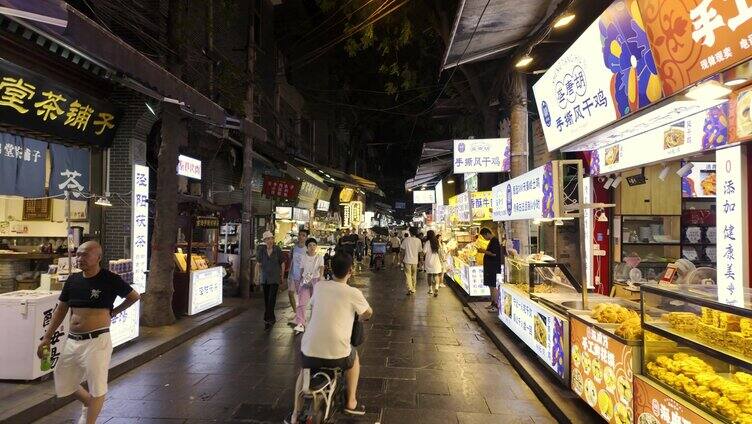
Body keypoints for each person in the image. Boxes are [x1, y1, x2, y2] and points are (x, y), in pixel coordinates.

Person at [37, 241, 140, 424]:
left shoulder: (110, 279)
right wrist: (47, 337)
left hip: (97, 340)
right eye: (78, 254)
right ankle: (88, 403)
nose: (79, 258)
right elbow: (61, 310)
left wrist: (114, 311)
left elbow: (134, 296)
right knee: (62, 379)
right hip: (72, 340)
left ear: (98, 258)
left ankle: (89, 420)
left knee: (97, 387)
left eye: (85, 254)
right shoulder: (73, 280)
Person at [288, 253, 373, 422]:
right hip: (338, 355)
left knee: (303, 371)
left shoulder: (319, 286)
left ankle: (295, 413)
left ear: (330, 269)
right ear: (351, 271)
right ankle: (351, 402)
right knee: (354, 359)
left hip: (309, 351)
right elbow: (368, 313)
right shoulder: (353, 292)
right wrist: (362, 317)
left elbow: (312, 305)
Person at [255, 231, 286, 330]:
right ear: (264, 240)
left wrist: (282, 275)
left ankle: (268, 318)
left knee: (272, 298)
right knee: (266, 298)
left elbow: (282, 263)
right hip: (265, 278)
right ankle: (270, 316)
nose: (270, 241)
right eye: (268, 239)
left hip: (275, 277)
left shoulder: (277, 250)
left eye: (271, 238)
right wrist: (256, 276)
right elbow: (258, 264)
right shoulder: (262, 251)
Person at [293, 237, 325, 334]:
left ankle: (316, 322)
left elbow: (321, 268)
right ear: (307, 247)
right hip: (305, 280)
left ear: (316, 246)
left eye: (314, 245)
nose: (312, 247)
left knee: (316, 303)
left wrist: (320, 278)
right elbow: (302, 269)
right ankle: (300, 323)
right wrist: (301, 280)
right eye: (310, 245)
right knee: (302, 302)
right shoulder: (303, 257)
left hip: (316, 280)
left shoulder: (320, 257)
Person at [477, 227, 503, 312]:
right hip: (489, 267)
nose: (484, 238)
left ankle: (495, 305)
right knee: (490, 285)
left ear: (487, 234)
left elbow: (494, 254)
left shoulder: (494, 241)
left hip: (492, 267)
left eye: (484, 236)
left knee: (492, 286)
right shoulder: (492, 241)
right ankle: (492, 303)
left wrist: (483, 251)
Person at [287, 229, 310, 324]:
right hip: (293, 274)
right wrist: (289, 273)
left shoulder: (307, 249)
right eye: (300, 235)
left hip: (302, 277)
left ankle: (301, 318)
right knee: (290, 293)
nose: (301, 237)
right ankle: (296, 313)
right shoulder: (294, 247)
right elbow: (292, 260)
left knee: (301, 297)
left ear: (306, 237)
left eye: (303, 235)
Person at [400, 228, 423, 295]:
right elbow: (420, 251)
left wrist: (401, 259)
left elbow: (402, 251)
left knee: (408, 275)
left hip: (407, 260)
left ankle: (410, 288)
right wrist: (421, 260)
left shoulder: (406, 240)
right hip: (415, 261)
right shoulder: (418, 240)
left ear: (410, 232)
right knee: (414, 275)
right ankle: (413, 288)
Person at [423, 230, 442, 297]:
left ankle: (430, 289)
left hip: (428, 261)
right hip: (436, 261)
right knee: (436, 275)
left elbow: (424, 252)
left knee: (429, 275)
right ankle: (436, 288)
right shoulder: (437, 241)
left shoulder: (427, 242)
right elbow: (440, 251)